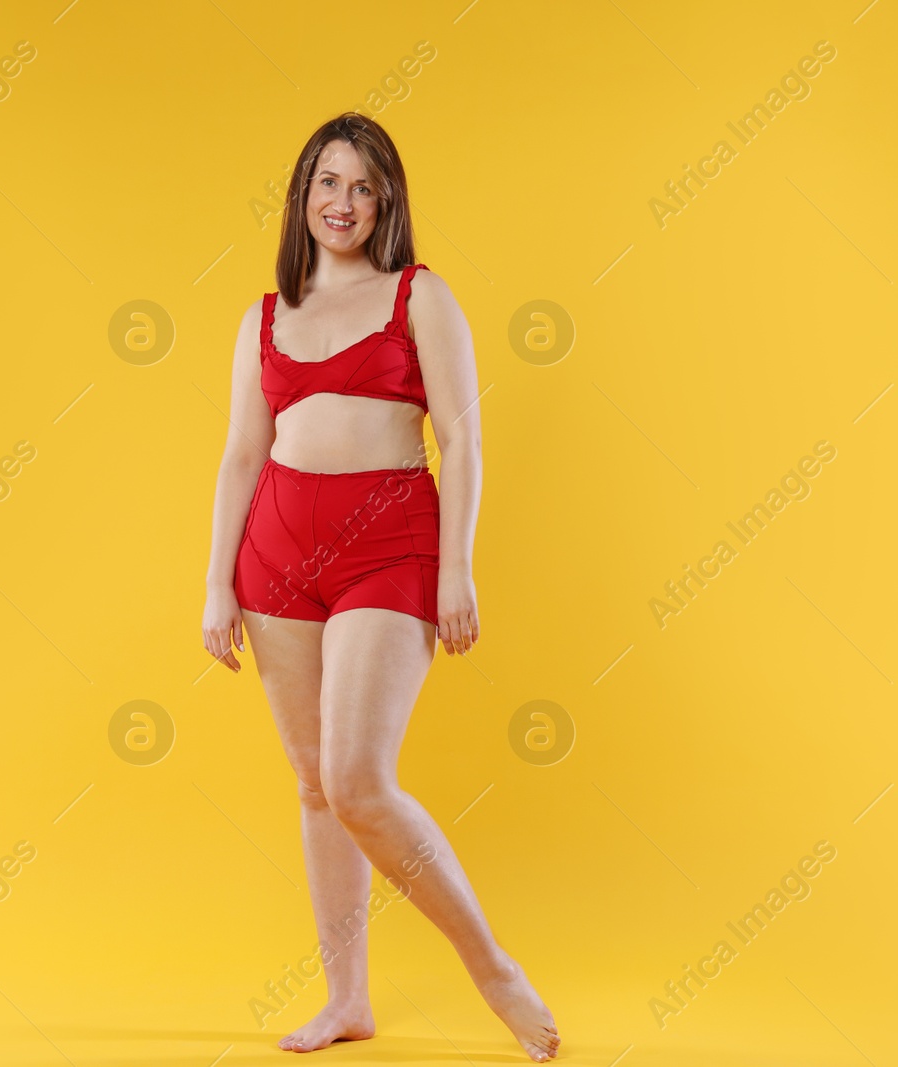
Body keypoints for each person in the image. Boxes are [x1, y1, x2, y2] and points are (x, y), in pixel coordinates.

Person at [200, 113, 559, 1062]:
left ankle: (490, 967)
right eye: (327, 183)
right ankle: (346, 999)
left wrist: (456, 566)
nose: (342, 203)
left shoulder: (419, 297)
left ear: (386, 199)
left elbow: (463, 438)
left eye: (362, 186)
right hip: (275, 558)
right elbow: (241, 454)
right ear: (302, 197)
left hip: (389, 549)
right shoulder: (265, 316)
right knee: (318, 786)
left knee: (360, 777)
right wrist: (214, 587)